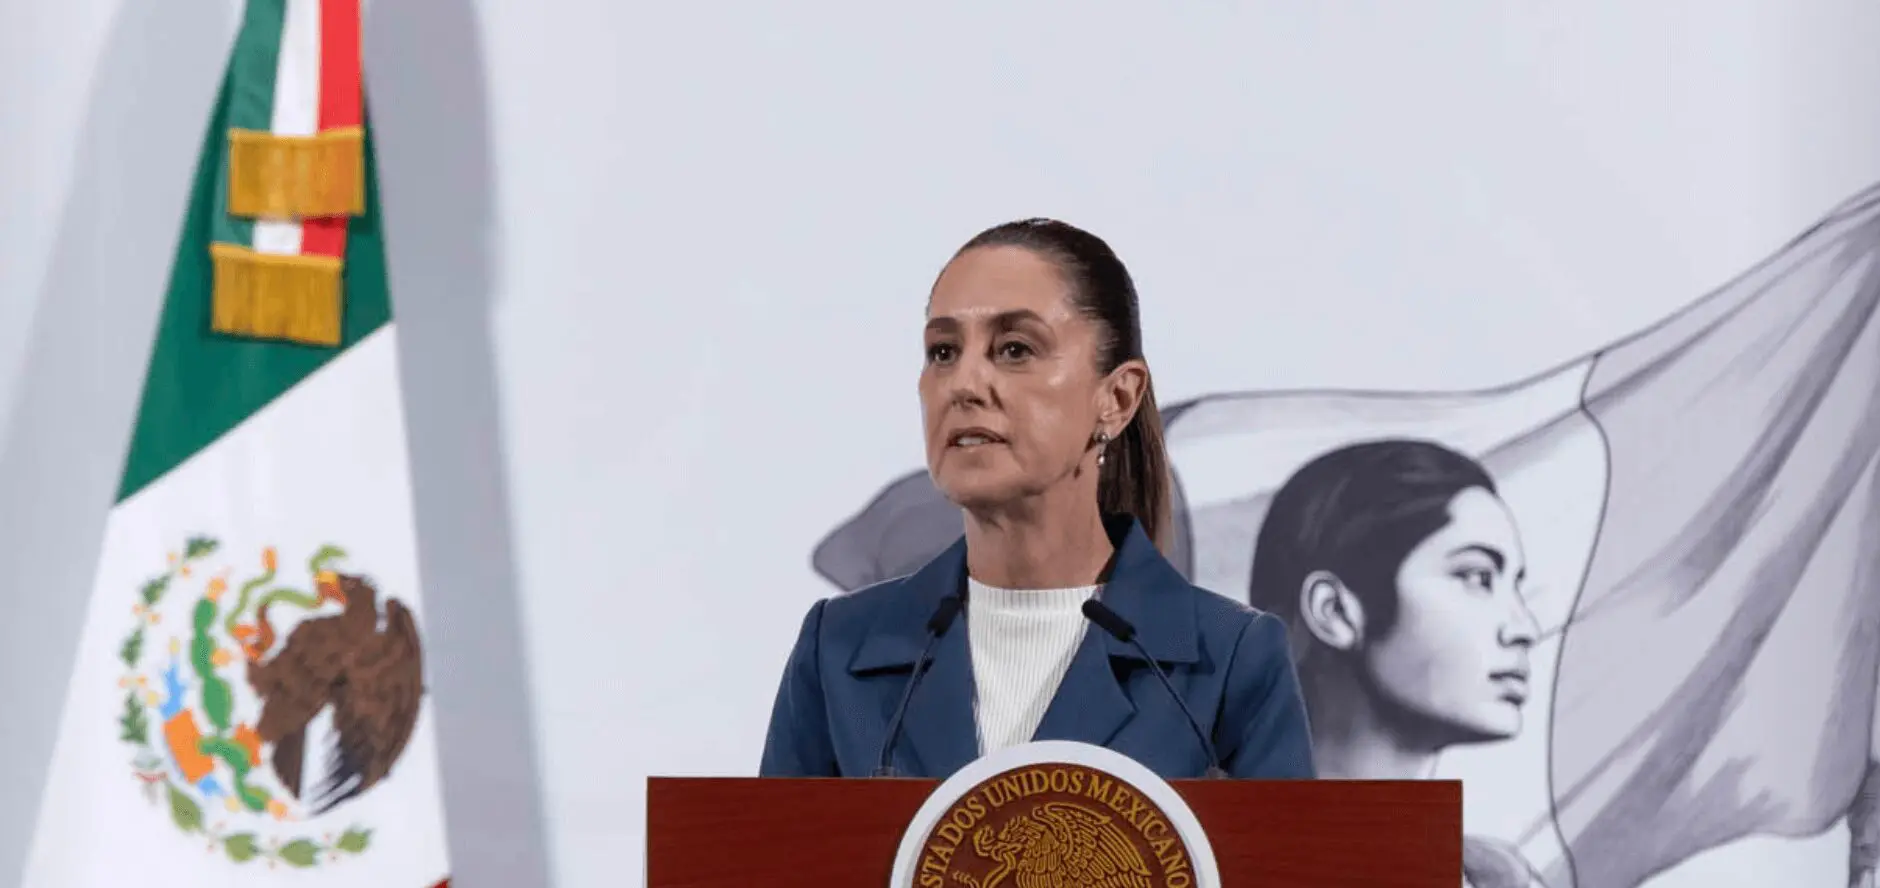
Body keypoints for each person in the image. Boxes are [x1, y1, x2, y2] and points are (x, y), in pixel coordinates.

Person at [759, 218, 1316, 781]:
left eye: (1015, 348)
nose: (963, 384)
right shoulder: (838, 649)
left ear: (1117, 398)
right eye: (944, 350)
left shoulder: (1231, 659)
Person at [1248, 438, 1542, 887]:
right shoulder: (1182, 854)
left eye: (1514, 585)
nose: (1524, 628)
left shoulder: (1498, 877)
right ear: (1335, 611)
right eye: (1477, 577)